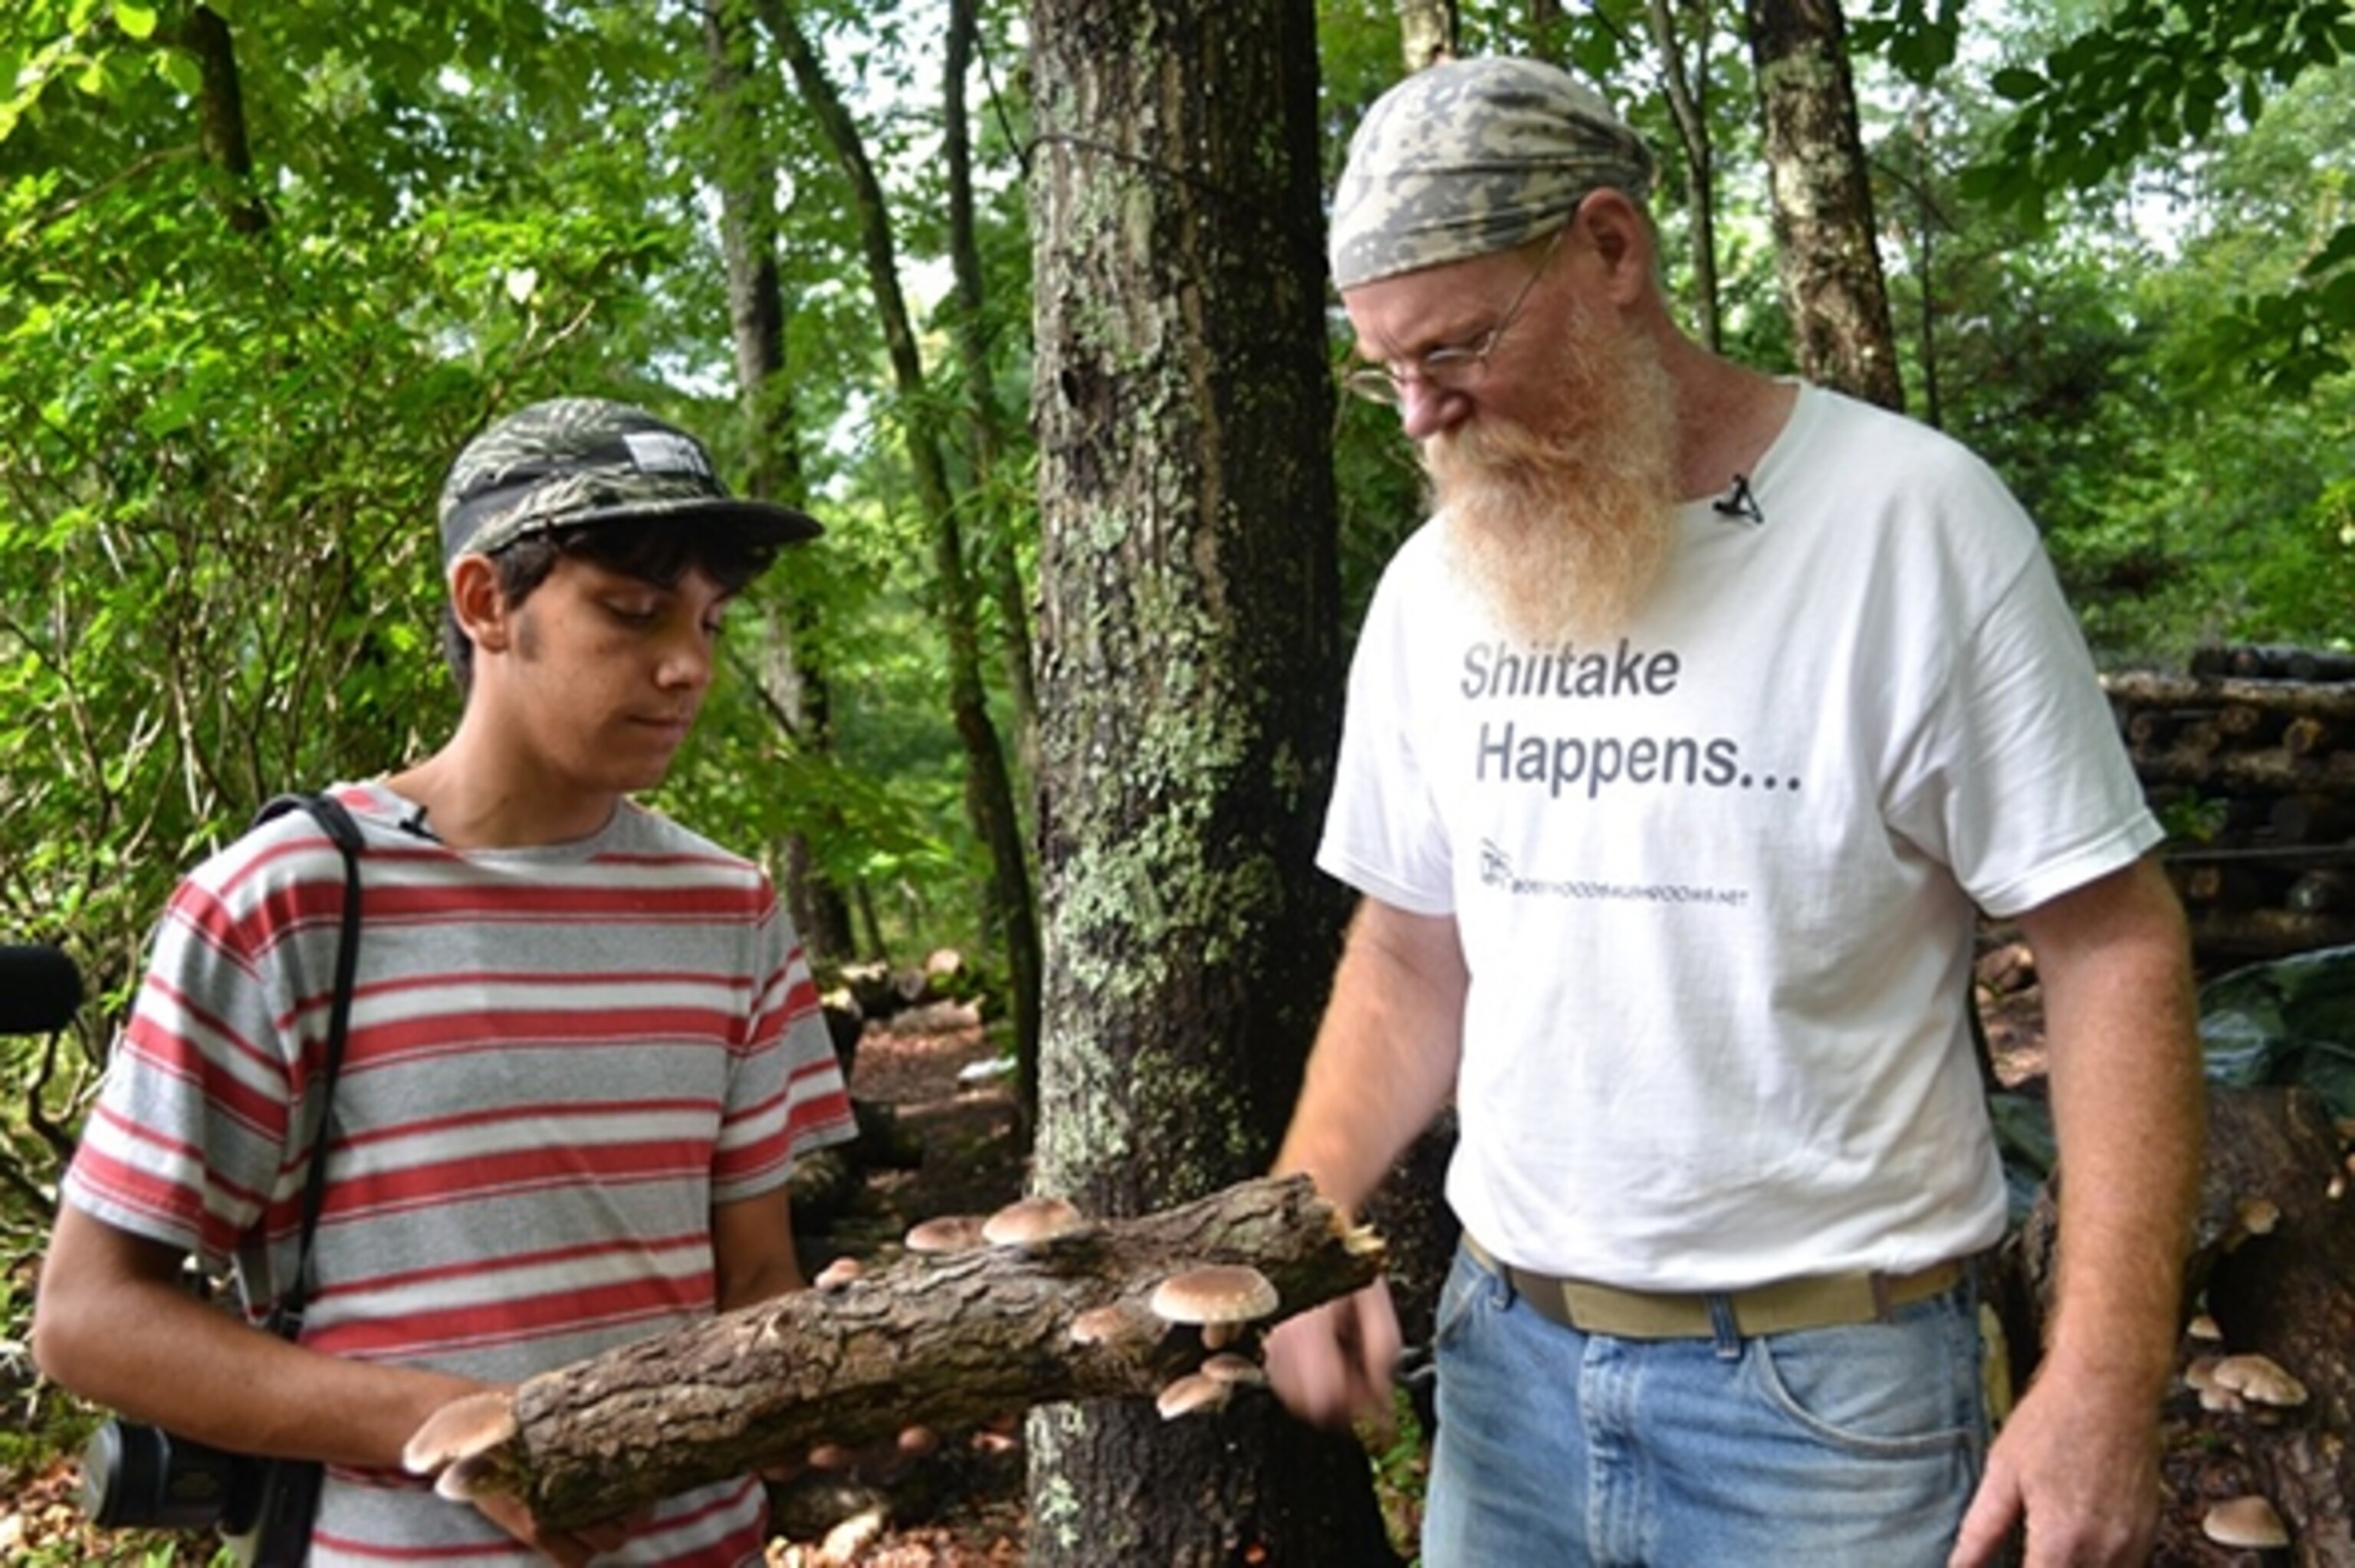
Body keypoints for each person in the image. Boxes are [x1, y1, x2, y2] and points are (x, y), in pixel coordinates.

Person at [1263, 56, 2204, 1568]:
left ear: (1611, 250)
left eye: (1453, 350)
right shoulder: (1438, 587)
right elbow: (1410, 948)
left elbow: (2113, 948)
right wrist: (1305, 1227)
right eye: (1385, 370)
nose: (1423, 417)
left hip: (1828, 1408)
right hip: (1504, 1377)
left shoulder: (1914, 523)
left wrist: (2101, 1377)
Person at [32, 397, 858, 1566]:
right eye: (631, 612)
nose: (686, 667)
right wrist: (456, 1427)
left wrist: (841, 1370)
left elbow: (754, 1279)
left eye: (712, 623)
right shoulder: (288, 899)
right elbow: (88, 1319)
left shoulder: (730, 910)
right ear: (486, 604)